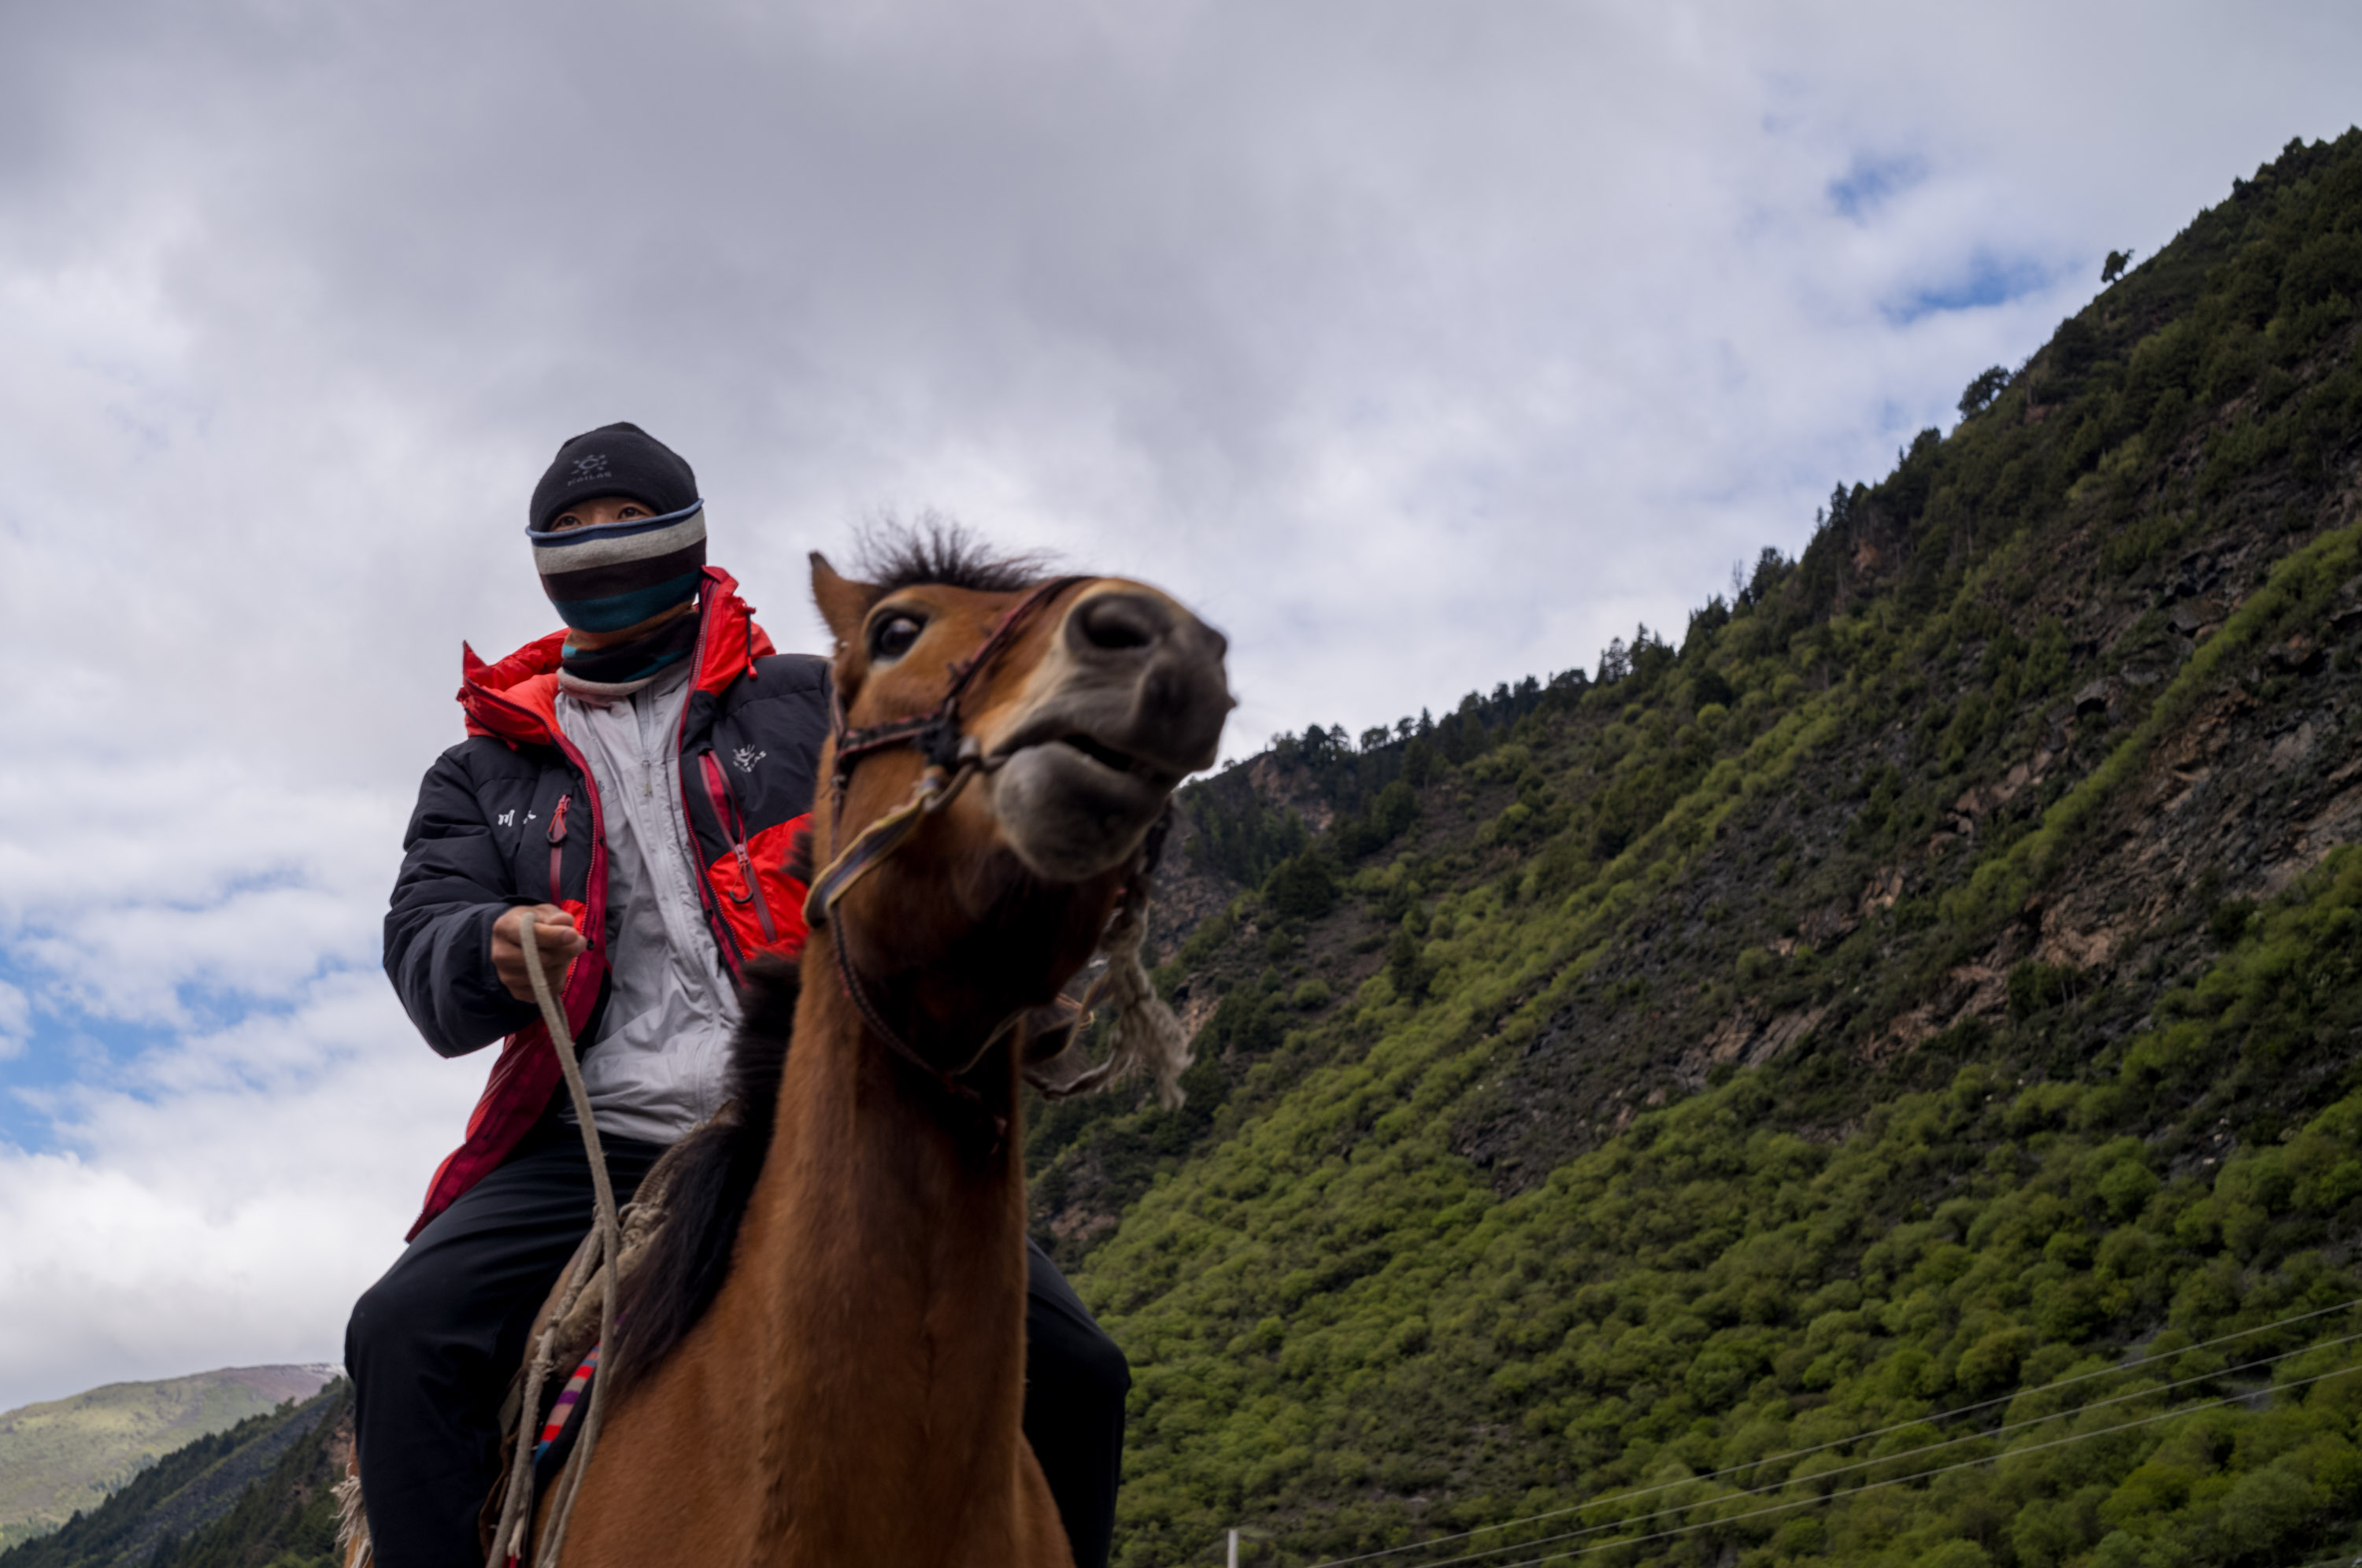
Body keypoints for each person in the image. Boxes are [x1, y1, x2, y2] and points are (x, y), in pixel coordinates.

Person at [345, 423, 1130, 1568]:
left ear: (691, 533)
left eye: (628, 520)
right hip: (589, 1143)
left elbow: (934, 844)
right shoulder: (482, 770)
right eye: (572, 529)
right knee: (400, 1334)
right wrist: (486, 945)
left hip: (816, 1118)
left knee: (1078, 1373)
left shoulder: (818, 702)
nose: (601, 544)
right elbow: (423, 942)